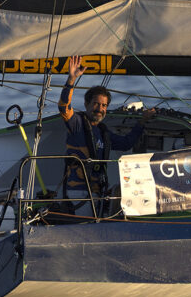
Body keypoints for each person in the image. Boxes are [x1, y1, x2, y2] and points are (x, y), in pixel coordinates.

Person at [58, 55, 155, 216]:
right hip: (78, 193)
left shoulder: (104, 132)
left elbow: (125, 144)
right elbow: (63, 107)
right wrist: (71, 79)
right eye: (96, 104)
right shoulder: (76, 124)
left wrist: (142, 122)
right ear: (86, 104)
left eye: (104, 105)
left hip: (98, 193)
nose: (99, 109)